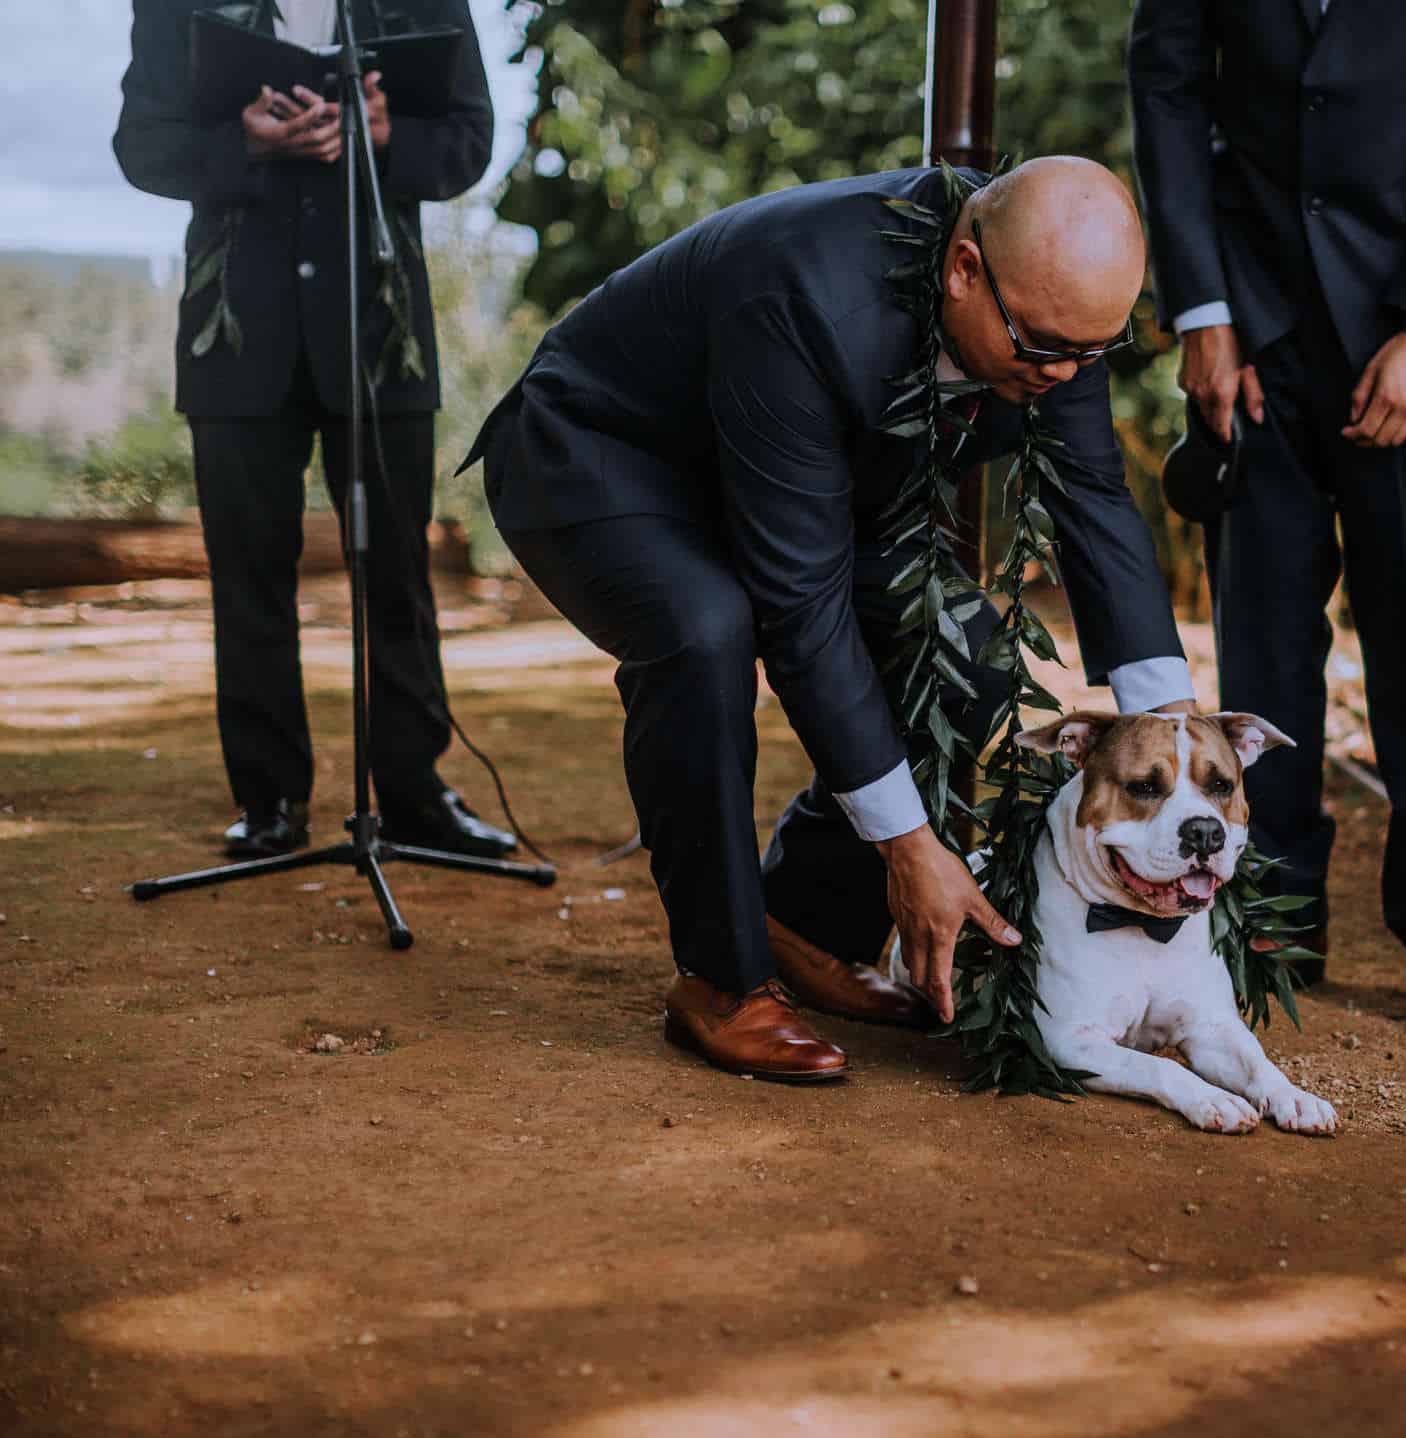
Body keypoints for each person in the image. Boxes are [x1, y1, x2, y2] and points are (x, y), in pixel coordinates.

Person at [468, 159, 1197, 1083]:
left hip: (794, 484)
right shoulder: (808, 296)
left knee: (967, 658)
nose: (1062, 373)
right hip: (603, 452)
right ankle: (722, 981)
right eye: (1044, 347)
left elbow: (1092, 493)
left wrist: (1180, 732)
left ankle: (803, 925)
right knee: (705, 630)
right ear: (964, 271)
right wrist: (909, 847)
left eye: (1089, 353)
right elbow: (803, 612)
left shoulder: (1057, 303)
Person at [1128, 0, 1406, 1042]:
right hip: (1253, 324)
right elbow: (1168, 88)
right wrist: (1203, 312)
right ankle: (1267, 919)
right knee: (1262, 642)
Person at [113, 0, 515, 859]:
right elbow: (140, 147)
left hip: (382, 338)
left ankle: (413, 792)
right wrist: (247, 145)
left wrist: (387, 135)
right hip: (234, 339)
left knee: (399, 575)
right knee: (248, 578)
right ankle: (268, 800)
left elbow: (471, 141)